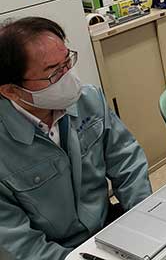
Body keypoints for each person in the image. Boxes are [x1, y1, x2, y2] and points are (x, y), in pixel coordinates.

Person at [0, 17, 151, 260]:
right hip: (55, 252)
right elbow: (18, 244)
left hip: (107, 230)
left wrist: (146, 218)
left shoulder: (88, 100)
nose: (68, 76)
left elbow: (127, 161)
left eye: (67, 61)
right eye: (53, 72)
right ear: (11, 90)